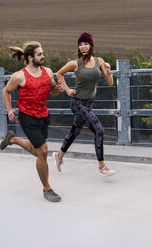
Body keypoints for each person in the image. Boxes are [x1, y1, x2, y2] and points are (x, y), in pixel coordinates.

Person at [0, 41, 63, 202]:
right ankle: (47, 188)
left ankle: (12, 139)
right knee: (43, 152)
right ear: (30, 57)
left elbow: (52, 90)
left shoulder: (48, 72)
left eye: (42, 53)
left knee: (38, 151)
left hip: (43, 115)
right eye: (39, 54)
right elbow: (6, 91)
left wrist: (59, 90)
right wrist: (9, 110)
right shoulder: (19, 76)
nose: (43, 56)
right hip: (28, 117)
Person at [52, 32, 116, 176]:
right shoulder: (75, 63)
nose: (83, 47)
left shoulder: (99, 61)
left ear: (91, 45)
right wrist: (67, 90)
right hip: (77, 103)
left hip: (89, 104)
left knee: (74, 132)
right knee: (99, 130)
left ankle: (59, 156)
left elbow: (110, 83)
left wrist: (108, 71)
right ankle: (102, 167)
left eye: (86, 43)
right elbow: (59, 74)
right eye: (80, 44)